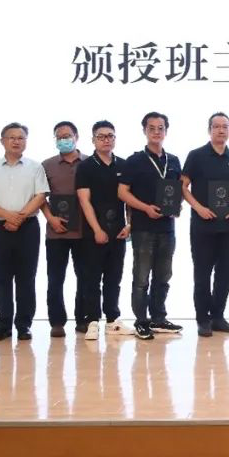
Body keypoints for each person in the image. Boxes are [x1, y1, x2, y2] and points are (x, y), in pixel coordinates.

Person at [0, 123, 50, 342]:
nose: (16, 141)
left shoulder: (35, 167)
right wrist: (7, 216)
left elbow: (41, 196)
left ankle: (24, 325)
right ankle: (3, 326)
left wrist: (19, 218)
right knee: (1, 278)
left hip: (28, 228)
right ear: (3, 141)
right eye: (12, 137)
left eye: (21, 138)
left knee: (26, 278)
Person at [118, 112, 183, 340]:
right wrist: (145, 208)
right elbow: (122, 192)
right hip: (143, 228)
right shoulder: (134, 161)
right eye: (152, 128)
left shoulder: (173, 160)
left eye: (160, 128)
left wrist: (177, 206)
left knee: (163, 276)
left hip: (167, 228)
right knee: (141, 278)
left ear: (166, 131)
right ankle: (141, 321)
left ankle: (158, 318)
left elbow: (177, 190)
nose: (156, 132)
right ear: (144, 130)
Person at [182, 112, 229, 338]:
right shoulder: (196, 155)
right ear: (209, 130)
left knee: (225, 273)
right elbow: (183, 186)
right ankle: (203, 319)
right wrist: (198, 207)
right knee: (202, 273)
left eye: (225, 126)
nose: (221, 130)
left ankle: (218, 317)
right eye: (217, 126)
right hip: (203, 225)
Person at [75, 120, 133, 341]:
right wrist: (97, 229)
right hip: (93, 232)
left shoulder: (124, 165)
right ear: (93, 140)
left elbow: (129, 199)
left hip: (118, 231)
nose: (106, 140)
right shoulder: (86, 167)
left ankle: (112, 320)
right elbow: (84, 201)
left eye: (110, 136)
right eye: (101, 136)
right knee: (91, 278)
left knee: (114, 278)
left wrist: (129, 225)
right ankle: (92, 321)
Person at [40, 121, 86, 338]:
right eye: (59, 137)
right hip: (56, 232)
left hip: (84, 232)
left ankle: (82, 319)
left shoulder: (89, 162)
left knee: (84, 277)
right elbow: (40, 197)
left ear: (76, 137)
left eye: (67, 136)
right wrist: (51, 219)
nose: (63, 140)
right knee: (55, 279)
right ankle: (57, 322)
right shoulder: (46, 165)